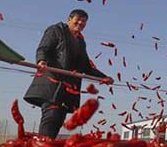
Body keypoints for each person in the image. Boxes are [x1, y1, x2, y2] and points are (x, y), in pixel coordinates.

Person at [24, 9, 113, 138]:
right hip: (52, 85)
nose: (80, 23)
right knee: (51, 116)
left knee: (58, 119)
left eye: (84, 22)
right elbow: (44, 48)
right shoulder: (56, 30)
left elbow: (85, 67)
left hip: (67, 90)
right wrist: (41, 61)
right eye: (78, 20)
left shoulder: (80, 42)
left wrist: (104, 77)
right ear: (69, 19)